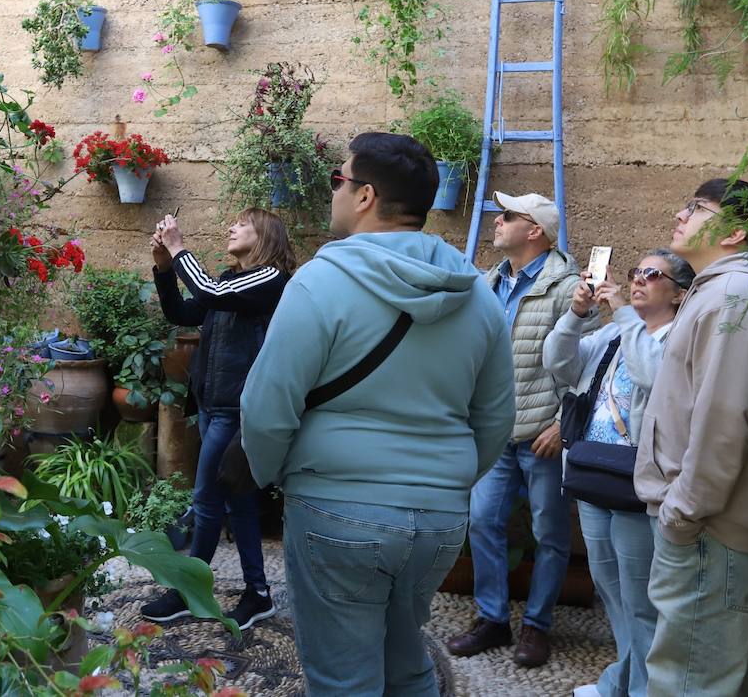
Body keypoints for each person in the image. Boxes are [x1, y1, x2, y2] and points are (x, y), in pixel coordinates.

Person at [239, 132, 515, 697]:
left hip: (337, 510)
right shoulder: (478, 295)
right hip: (438, 519)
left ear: (364, 195)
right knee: (405, 656)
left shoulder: (320, 282)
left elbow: (266, 408)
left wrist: (270, 476)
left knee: (344, 676)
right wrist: (444, 479)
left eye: (338, 180)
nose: (333, 191)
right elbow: (494, 419)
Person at [635, 178, 748, 697]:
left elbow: (723, 424)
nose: (681, 215)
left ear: (735, 234)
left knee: (687, 681)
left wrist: (682, 515)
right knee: (726, 674)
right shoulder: (733, 293)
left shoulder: (733, 300)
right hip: (718, 526)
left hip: (711, 528)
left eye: (698, 208)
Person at [543, 250, 697, 697]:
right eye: (635, 272)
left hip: (639, 488)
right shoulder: (613, 335)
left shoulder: (679, 339)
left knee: (643, 600)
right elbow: (558, 362)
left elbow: (653, 374)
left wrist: (625, 315)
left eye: (653, 274)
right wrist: (575, 314)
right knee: (611, 591)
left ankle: (642, 690)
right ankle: (623, 682)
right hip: (594, 477)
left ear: (679, 293)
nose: (638, 280)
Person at [140, 207, 294, 631]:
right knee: (237, 503)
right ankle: (258, 594)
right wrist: (164, 268)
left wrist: (178, 247)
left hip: (238, 413)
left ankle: (188, 590)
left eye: (241, 224)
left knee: (206, 501)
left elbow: (206, 292)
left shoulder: (270, 280)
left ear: (264, 236)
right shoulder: (228, 282)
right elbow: (184, 313)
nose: (231, 228)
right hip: (212, 406)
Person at [447, 190, 579, 668]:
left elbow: (588, 365)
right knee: (482, 521)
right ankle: (493, 619)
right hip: (494, 432)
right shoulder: (488, 282)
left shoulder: (567, 287)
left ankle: (537, 626)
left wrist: (564, 425)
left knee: (550, 533)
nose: (495, 221)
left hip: (543, 434)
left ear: (535, 231)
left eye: (507, 216)